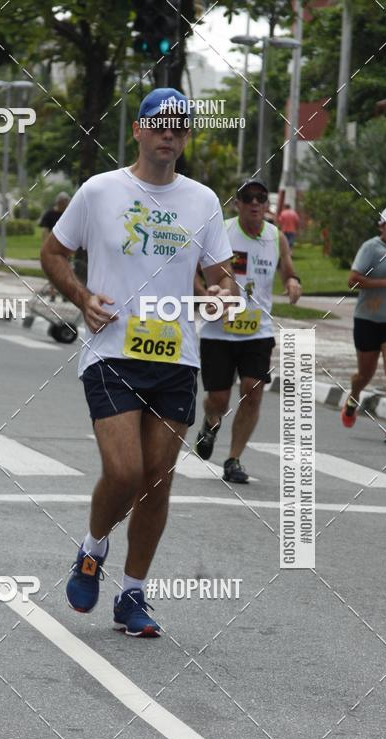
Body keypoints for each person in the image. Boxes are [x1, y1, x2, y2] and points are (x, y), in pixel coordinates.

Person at [41, 87, 235, 637]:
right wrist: (82, 298)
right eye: (159, 123)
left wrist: (221, 294)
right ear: (139, 130)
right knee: (124, 471)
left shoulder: (202, 200)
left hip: (176, 357)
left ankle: (133, 595)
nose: (169, 132)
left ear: (185, 136)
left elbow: (223, 275)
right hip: (111, 352)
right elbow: (53, 253)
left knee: (157, 481)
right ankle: (92, 549)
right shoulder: (100, 190)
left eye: (180, 125)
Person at [195, 179, 301, 482]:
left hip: (258, 330)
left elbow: (288, 269)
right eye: (248, 198)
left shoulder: (275, 236)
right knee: (219, 400)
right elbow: (192, 270)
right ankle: (210, 424)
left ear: (266, 205)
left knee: (252, 392)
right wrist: (205, 296)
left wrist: (293, 281)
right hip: (218, 331)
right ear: (237, 204)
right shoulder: (221, 233)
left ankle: (234, 459)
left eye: (261, 198)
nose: (255, 203)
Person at [341, 205, 386, 441]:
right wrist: (383, 283)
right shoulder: (371, 248)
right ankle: (354, 396)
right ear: (382, 226)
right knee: (365, 374)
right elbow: (352, 281)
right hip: (368, 320)